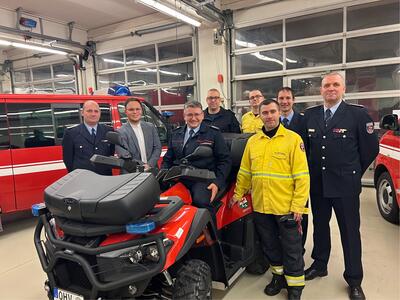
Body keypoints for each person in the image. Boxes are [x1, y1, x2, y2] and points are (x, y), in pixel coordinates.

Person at [303, 72, 379, 300]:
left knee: (349, 232)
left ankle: (354, 279)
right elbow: (306, 149)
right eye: (327, 85)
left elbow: (369, 150)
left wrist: (353, 172)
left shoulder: (357, 115)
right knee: (321, 227)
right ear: (321, 90)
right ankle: (320, 264)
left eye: (336, 84)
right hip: (318, 185)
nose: (331, 88)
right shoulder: (311, 115)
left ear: (344, 89)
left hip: (346, 186)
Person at [230, 99, 309, 300]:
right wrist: (238, 195)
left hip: (286, 207)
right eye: (265, 113)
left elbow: (302, 177)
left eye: (272, 111)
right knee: (270, 245)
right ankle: (278, 277)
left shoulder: (293, 139)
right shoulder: (253, 142)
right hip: (261, 206)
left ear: (278, 113)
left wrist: (299, 206)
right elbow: (245, 172)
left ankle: (295, 286)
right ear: (261, 115)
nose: (269, 116)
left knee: (292, 248)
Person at [162, 100, 231, 223]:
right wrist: (163, 174)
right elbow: (168, 158)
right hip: (180, 177)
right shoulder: (176, 133)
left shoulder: (213, 133)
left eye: (197, 114)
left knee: (201, 201)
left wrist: (217, 182)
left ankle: (213, 239)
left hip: (203, 178)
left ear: (202, 115)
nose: (193, 118)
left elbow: (225, 160)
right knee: (164, 201)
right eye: (189, 115)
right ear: (184, 116)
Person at [277, 87, 308, 253]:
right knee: (280, 216)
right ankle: (282, 248)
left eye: (287, 98)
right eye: (281, 98)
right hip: (278, 178)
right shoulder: (271, 121)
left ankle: (299, 249)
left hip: (298, 176)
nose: (284, 101)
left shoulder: (304, 122)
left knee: (299, 215)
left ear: (293, 100)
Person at [62, 100, 114, 175]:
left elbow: (110, 154)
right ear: (82, 113)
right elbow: (68, 160)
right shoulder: (71, 133)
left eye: (96, 111)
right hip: (82, 179)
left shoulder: (109, 131)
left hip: (105, 177)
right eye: (89, 111)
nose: (93, 114)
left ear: (100, 113)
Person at [115, 98, 161, 173]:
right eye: (131, 109)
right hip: (131, 173)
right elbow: (125, 156)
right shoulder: (119, 132)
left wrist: (149, 164)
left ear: (141, 110)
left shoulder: (150, 127)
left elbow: (157, 147)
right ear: (126, 112)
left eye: (137, 109)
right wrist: (142, 166)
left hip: (152, 171)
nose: (135, 112)